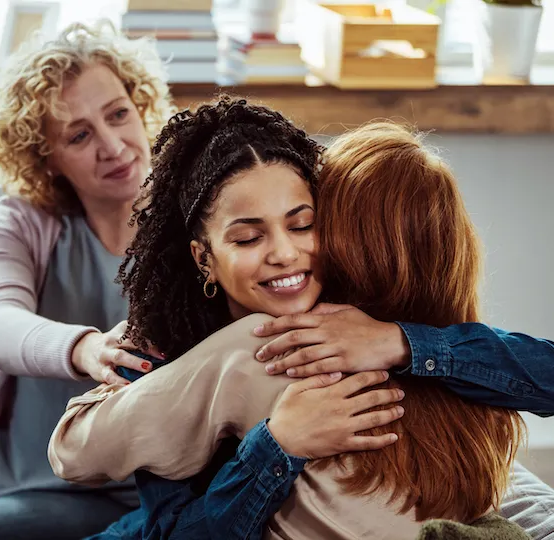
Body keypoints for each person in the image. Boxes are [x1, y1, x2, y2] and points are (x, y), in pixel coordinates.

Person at [0, 21, 397, 540]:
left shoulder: (207, 221)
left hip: (120, 484)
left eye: (118, 114)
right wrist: (84, 347)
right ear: (42, 154)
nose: (113, 145)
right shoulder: (21, 221)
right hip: (12, 450)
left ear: (141, 105)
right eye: (79, 134)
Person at [49, 101, 554, 539]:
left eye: (303, 224)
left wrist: (399, 342)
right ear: (204, 258)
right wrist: (278, 446)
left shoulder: (344, 329)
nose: (285, 254)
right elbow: (148, 513)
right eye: (248, 238)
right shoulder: (192, 349)